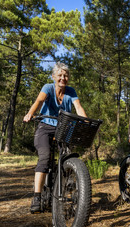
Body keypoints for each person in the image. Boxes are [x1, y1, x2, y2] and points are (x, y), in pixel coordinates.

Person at [23, 62, 87, 214]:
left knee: (67, 154)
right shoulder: (48, 88)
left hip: (63, 127)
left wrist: (85, 120)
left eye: (65, 75)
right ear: (53, 77)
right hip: (45, 126)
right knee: (45, 158)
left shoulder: (71, 91)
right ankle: (37, 197)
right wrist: (30, 113)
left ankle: (68, 178)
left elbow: (78, 107)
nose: (63, 78)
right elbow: (38, 101)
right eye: (60, 75)